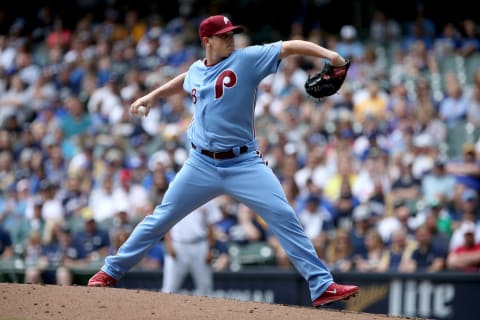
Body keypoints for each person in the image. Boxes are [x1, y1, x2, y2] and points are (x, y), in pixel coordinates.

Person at [87, 15, 359, 307]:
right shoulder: (195, 69)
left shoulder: (247, 59)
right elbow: (187, 78)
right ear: (207, 41)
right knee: (160, 218)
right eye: (224, 35)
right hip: (200, 164)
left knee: (284, 217)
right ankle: (110, 271)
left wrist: (331, 55)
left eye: (232, 34)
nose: (231, 38)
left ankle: (321, 286)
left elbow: (290, 46)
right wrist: (152, 96)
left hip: (244, 164)